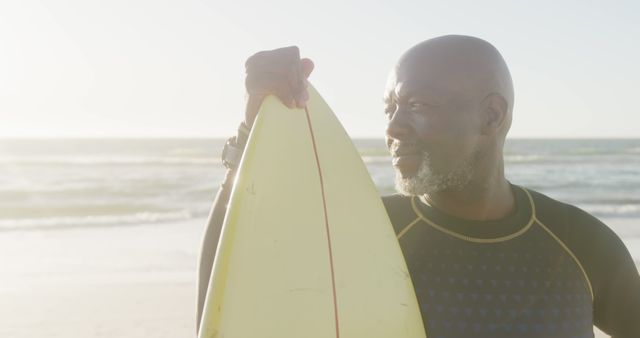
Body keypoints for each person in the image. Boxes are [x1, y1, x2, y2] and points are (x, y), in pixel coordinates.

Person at [197, 36, 640, 337]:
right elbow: (221, 309)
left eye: (416, 105)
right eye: (389, 108)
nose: (394, 128)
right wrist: (250, 139)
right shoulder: (362, 235)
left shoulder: (579, 244)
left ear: (491, 116)